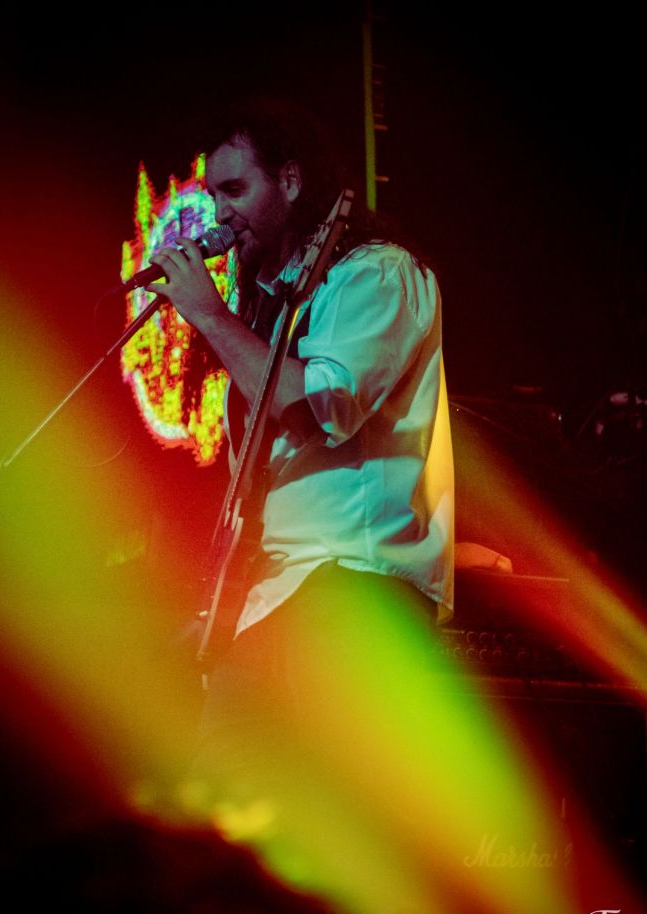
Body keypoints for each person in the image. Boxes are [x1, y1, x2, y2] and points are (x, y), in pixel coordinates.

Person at [145, 99, 454, 800]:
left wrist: (208, 314)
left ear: (289, 181)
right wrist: (218, 604)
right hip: (275, 598)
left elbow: (319, 409)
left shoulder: (376, 274)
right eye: (213, 195)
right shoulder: (279, 303)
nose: (221, 214)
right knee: (218, 810)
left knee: (338, 812)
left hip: (355, 589)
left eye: (235, 189)